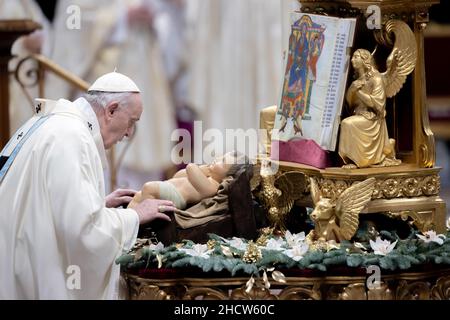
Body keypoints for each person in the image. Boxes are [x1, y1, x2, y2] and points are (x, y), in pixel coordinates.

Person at [0, 72, 175, 299]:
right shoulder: (72, 136)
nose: (129, 133)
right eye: (131, 122)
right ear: (111, 110)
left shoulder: (53, 122)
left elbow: (41, 203)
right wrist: (133, 216)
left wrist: (98, 205)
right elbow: (83, 231)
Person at [338, 49, 397, 168]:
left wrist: (358, 92)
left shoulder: (376, 79)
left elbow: (378, 105)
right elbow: (349, 104)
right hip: (360, 115)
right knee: (346, 122)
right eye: (353, 57)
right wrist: (351, 89)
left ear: (365, 60)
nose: (352, 59)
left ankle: (354, 161)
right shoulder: (357, 81)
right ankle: (354, 160)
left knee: (347, 123)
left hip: (373, 119)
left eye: (356, 57)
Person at [128, 152, 245, 210]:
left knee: (149, 188)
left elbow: (190, 168)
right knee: (138, 196)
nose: (217, 159)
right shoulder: (207, 177)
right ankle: (130, 220)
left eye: (222, 161)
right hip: (169, 189)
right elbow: (179, 175)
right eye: (221, 157)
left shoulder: (212, 187)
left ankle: (145, 221)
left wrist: (202, 169)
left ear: (227, 178)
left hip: (177, 198)